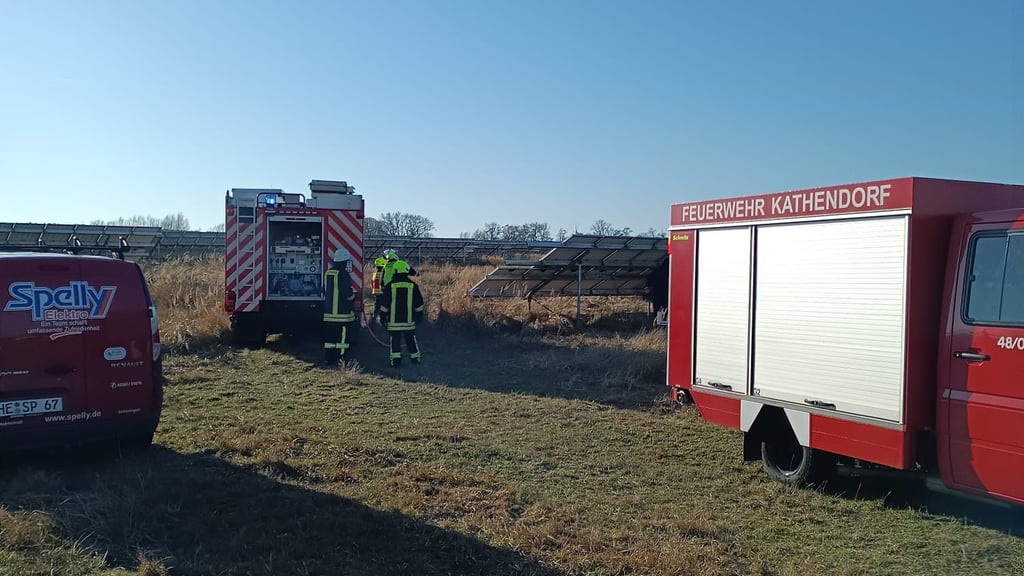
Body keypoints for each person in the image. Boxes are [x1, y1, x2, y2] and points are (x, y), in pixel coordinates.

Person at [376, 260, 424, 366]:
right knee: (410, 339)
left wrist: (383, 316)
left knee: (395, 341)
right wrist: (419, 315)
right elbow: (419, 303)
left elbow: (385, 304)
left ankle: (396, 361)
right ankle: (415, 359)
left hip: (394, 321)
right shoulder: (412, 285)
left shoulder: (390, 285)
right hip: (409, 321)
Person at [322, 248, 356, 366]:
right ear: (344, 261)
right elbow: (346, 293)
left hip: (329, 313)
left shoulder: (328, 273)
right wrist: (353, 298)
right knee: (343, 339)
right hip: (342, 314)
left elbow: (324, 290)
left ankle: (329, 359)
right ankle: (342, 359)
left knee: (330, 339)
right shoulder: (344, 274)